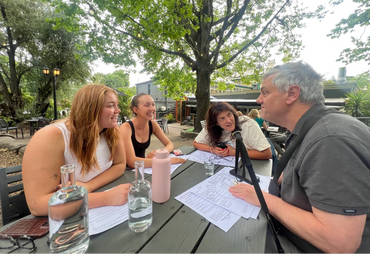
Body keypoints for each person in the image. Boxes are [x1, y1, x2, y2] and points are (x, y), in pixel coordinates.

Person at [229, 61, 370, 255]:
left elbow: (340, 244)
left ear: (292, 94)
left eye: (265, 92)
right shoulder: (313, 128)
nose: (259, 99)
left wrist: (263, 199)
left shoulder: (330, 139)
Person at [23, 84, 130, 217]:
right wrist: (105, 198)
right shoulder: (51, 136)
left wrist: (88, 186)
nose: (118, 110)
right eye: (110, 105)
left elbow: (119, 165)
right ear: (90, 109)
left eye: (117, 105)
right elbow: (37, 205)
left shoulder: (112, 131)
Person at [120, 93, 186, 168]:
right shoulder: (126, 128)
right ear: (136, 110)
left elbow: (169, 144)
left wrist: (161, 153)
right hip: (125, 172)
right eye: (147, 105)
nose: (152, 109)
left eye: (153, 105)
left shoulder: (152, 124)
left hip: (143, 168)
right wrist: (166, 161)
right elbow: (132, 162)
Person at [193, 102, 272, 160]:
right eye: (222, 118)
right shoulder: (211, 128)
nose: (228, 121)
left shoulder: (248, 124)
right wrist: (212, 149)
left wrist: (234, 152)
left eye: (229, 114)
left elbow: (267, 154)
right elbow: (196, 143)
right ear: (216, 123)